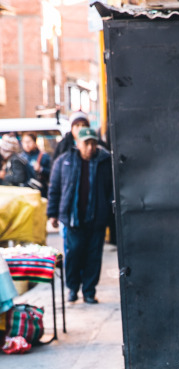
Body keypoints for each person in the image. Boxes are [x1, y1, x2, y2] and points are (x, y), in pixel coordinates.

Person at [47, 127, 113, 304]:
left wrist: (109, 213)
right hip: (73, 219)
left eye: (93, 143)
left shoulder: (105, 161)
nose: (90, 147)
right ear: (78, 144)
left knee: (93, 257)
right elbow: (54, 189)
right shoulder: (64, 161)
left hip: (96, 218)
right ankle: (73, 289)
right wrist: (52, 214)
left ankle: (89, 292)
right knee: (74, 255)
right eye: (86, 143)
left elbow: (111, 190)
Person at [20, 133, 51, 197]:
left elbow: (52, 174)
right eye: (24, 142)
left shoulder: (43, 156)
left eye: (28, 141)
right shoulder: (20, 157)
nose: (26, 144)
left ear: (34, 142)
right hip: (24, 192)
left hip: (39, 192)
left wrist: (41, 169)